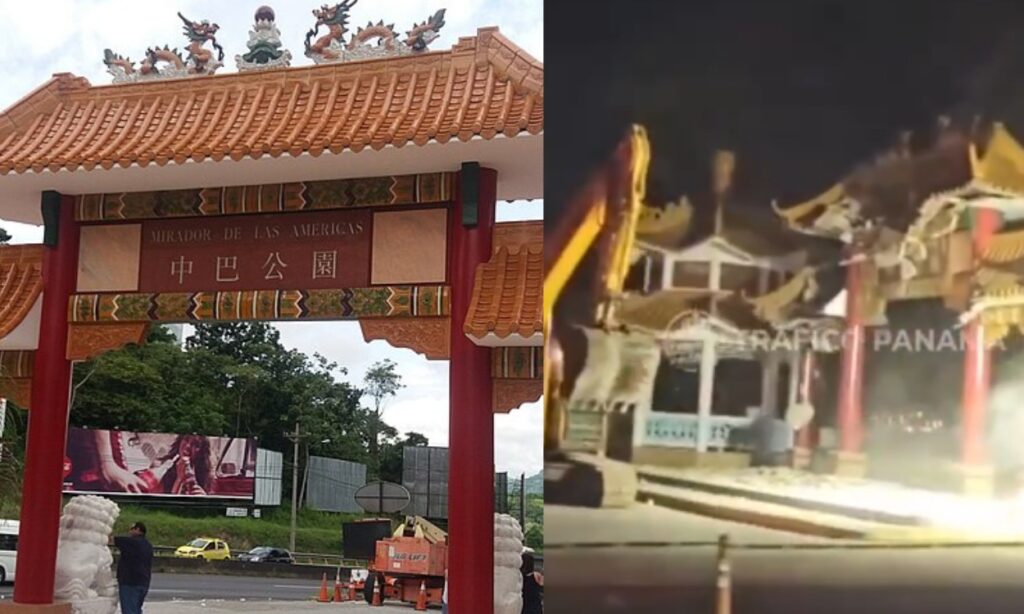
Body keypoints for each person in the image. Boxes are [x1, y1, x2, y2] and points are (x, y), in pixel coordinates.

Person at [112, 522, 154, 614]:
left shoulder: (130, 542)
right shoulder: (148, 545)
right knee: (136, 609)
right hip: (144, 582)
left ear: (138, 530)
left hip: (130, 582)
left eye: (132, 529)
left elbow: (109, 539)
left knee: (129, 610)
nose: (129, 531)